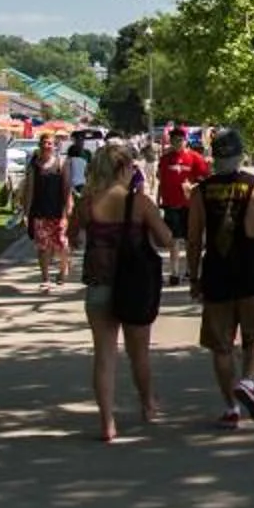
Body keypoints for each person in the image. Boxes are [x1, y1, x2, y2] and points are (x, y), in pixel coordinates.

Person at [77, 142, 171, 443]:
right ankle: (148, 403)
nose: (134, 170)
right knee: (138, 352)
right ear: (121, 168)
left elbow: (73, 236)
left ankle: (107, 422)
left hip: (99, 284)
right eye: (131, 166)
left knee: (104, 356)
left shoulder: (87, 203)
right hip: (134, 286)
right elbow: (166, 239)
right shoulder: (140, 204)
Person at [190, 128, 254, 428]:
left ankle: (231, 408)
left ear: (214, 157)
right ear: (240, 155)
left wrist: (194, 277)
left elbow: (194, 239)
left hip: (216, 273)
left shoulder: (201, 191)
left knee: (221, 346)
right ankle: (249, 382)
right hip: (250, 272)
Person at [16, 134, 78, 287]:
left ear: (54, 146)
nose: (47, 146)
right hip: (39, 211)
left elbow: (67, 188)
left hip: (58, 211)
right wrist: (26, 212)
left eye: (50, 143)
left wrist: (69, 207)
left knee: (62, 244)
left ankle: (63, 270)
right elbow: (30, 190)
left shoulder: (61, 163)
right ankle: (45, 278)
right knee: (43, 246)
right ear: (39, 145)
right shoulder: (34, 166)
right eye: (44, 143)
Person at [154, 125, 211, 283]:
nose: (178, 143)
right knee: (173, 240)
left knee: (190, 240)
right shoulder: (165, 159)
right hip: (171, 204)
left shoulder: (195, 157)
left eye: (180, 140)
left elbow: (205, 178)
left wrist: (193, 186)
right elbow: (161, 180)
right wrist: (158, 200)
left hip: (189, 205)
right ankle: (174, 273)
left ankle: (190, 270)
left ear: (186, 141)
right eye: (174, 140)